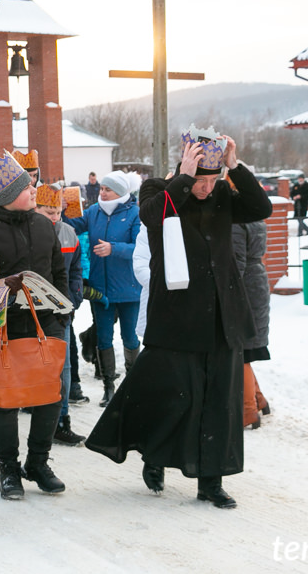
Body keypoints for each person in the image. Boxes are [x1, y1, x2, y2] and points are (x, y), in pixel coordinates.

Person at [85, 125, 272, 508]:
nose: (207, 187)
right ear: (186, 168)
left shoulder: (222, 193)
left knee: (220, 403)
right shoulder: (159, 190)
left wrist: (234, 168)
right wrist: (185, 180)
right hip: (176, 320)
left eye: (213, 179)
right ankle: (155, 458)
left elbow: (260, 208)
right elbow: (153, 216)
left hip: (221, 318)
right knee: (171, 398)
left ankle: (211, 482)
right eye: (202, 180)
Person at [0, 151, 69, 500]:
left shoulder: (44, 225)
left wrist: (62, 313)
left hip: (47, 323)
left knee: (49, 394)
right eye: (26, 186)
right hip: (4, 326)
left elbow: (59, 271)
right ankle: (9, 470)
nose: (34, 189)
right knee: (6, 399)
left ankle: (38, 463)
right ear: (7, 194)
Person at [63, 170, 142, 407]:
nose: (102, 193)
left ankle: (132, 386)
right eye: (102, 188)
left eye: (108, 189)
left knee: (129, 337)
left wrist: (114, 248)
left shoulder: (135, 214)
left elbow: (140, 248)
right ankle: (109, 387)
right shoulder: (94, 212)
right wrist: (63, 209)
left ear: (121, 191)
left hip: (129, 289)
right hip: (101, 290)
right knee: (104, 338)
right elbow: (71, 226)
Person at [35, 184, 85, 446]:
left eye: (57, 212)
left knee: (62, 367)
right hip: (32, 311)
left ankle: (61, 420)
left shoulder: (69, 234)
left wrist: (74, 297)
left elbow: (76, 269)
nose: (54, 217)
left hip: (61, 311)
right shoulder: (29, 231)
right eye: (48, 212)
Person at [232, 221, 272, 429]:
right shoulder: (252, 216)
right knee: (244, 350)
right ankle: (258, 399)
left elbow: (236, 261)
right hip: (254, 280)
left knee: (239, 352)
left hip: (243, 286)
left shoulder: (235, 222)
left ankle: (248, 411)